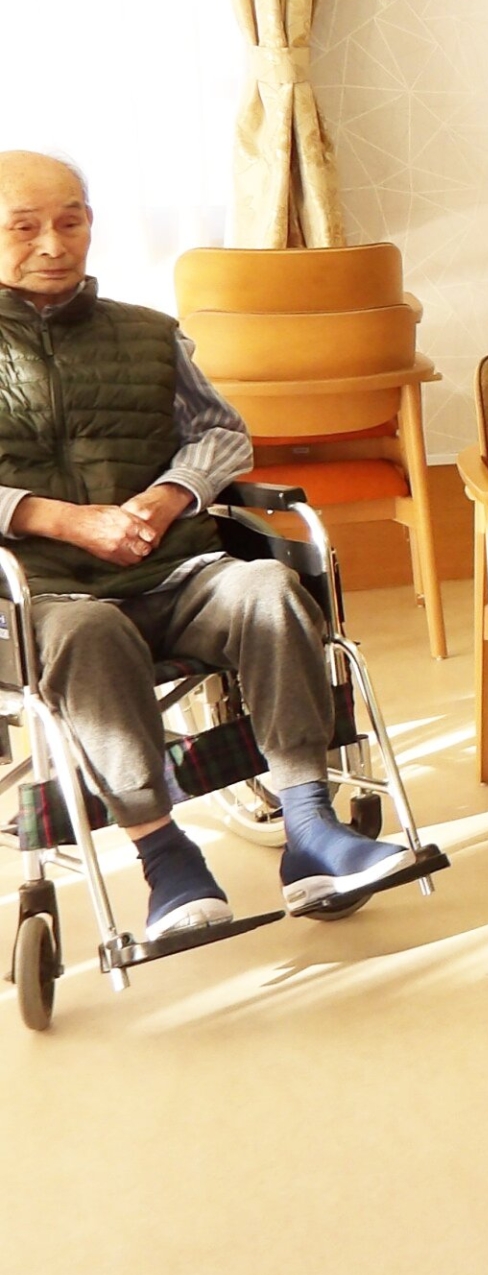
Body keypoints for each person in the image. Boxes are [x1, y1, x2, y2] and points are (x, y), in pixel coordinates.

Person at [0, 151, 415, 938]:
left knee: (266, 590)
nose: (53, 244)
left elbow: (222, 434)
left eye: (70, 220)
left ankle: (310, 829)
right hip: (46, 594)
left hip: (175, 567)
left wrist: (164, 500)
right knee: (90, 635)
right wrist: (60, 519)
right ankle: (166, 861)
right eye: (24, 228)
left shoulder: (149, 335)